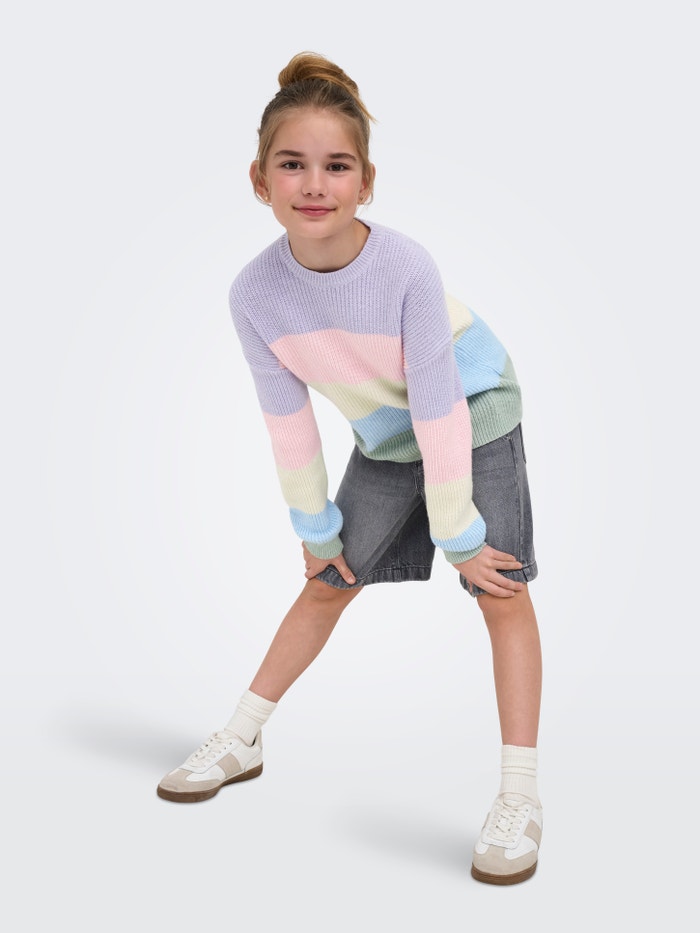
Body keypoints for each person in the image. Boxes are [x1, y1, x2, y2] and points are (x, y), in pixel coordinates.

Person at [157, 51, 544, 886]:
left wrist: (459, 535)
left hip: (471, 412)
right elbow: (286, 418)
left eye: (337, 166)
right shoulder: (255, 293)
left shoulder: (405, 266)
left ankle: (520, 794)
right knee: (327, 578)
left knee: (500, 586)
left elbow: (439, 404)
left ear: (366, 182)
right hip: (390, 437)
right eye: (292, 164)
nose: (314, 184)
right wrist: (315, 525)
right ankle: (243, 734)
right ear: (259, 180)